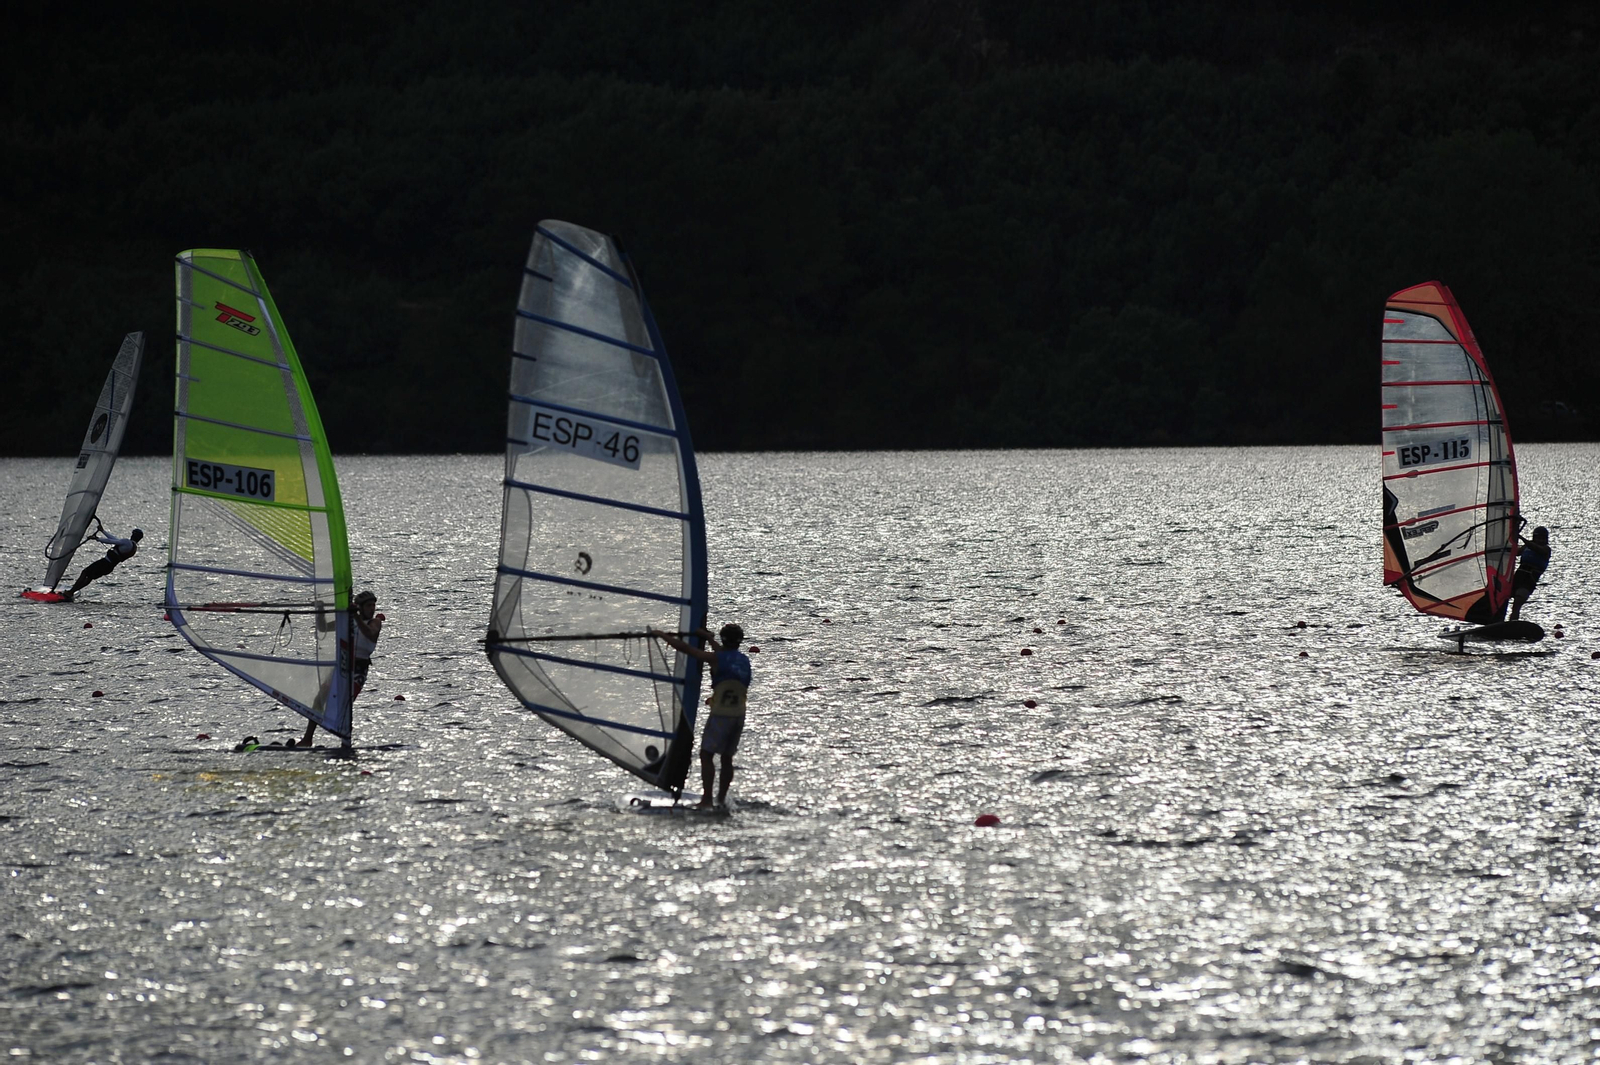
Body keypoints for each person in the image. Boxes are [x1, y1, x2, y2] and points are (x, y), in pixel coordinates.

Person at [650, 623, 751, 809]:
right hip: (739, 715)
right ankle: (720, 798)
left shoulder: (716, 658)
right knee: (727, 758)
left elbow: (687, 649)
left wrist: (662, 635)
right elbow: (722, 654)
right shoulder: (743, 660)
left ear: (723, 639)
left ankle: (706, 800)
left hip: (721, 715)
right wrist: (708, 638)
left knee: (706, 754)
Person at [298, 590, 384, 746]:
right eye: (369, 606)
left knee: (345, 704)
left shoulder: (375, 622)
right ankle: (307, 738)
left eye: (374, 605)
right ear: (360, 607)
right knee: (320, 698)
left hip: (358, 670)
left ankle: (345, 742)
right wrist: (320, 611)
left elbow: (370, 635)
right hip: (342, 665)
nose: (372, 609)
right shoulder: (347, 621)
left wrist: (355, 616)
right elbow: (323, 628)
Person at [62, 526, 143, 599]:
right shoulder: (133, 548)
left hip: (105, 563)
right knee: (90, 577)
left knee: (85, 572)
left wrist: (97, 539)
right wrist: (102, 531)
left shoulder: (127, 542)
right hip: (109, 567)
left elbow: (112, 541)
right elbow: (115, 540)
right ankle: (71, 592)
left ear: (133, 535)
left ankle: (70, 592)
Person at [1508, 525, 1551, 622]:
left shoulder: (1546, 550)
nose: (1541, 541)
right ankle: (1498, 622)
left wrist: (1521, 537)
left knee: (1517, 603)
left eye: (1543, 539)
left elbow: (1536, 548)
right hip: (1518, 576)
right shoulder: (1526, 546)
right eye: (1538, 538)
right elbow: (1516, 552)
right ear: (1534, 538)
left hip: (1529, 580)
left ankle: (1512, 623)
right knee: (1503, 598)